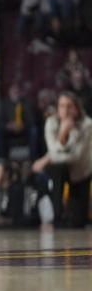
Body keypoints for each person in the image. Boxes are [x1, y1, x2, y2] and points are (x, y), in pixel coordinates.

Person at [32, 91, 92, 228]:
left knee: (78, 222)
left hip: (80, 173)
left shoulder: (87, 124)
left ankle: (71, 217)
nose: (65, 110)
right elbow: (54, 151)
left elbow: (75, 157)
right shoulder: (51, 123)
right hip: (60, 170)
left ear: (77, 108)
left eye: (69, 106)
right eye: (61, 106)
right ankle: (56, 215)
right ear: (57, 108)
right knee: (56, 168)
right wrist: (62, 134)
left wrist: (46, 158)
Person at [0, 83, 39, 159]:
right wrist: (8, 125)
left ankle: (33, 157)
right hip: (10, 130)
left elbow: (32, 120)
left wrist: (22, 125)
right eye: (13, 91)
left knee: (34, 130)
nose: (15, 93)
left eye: (17, 91)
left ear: (21, 92)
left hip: (24, 129)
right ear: (9, 92)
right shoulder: (5, 104)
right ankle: (1, 158)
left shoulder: (27, 103)